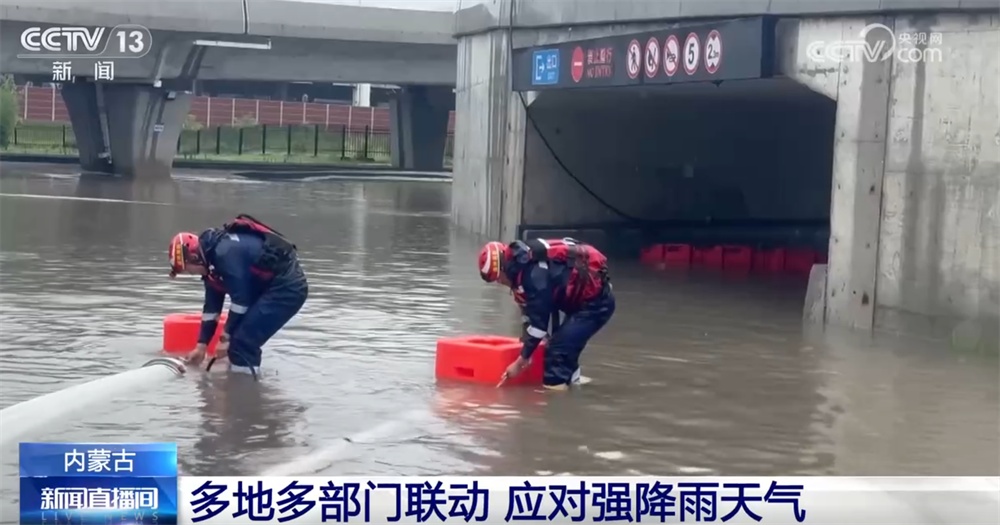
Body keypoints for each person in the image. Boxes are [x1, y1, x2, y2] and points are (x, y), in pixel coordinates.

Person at [169, 214, 308, 378]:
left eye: (188, 270)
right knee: (238, 340)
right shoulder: (210, 264)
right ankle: (239, 384)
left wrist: (225, 338)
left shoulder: (225, 254)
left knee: (242, 342)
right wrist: (202, 345)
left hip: (287, 288)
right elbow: (211, 309)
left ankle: (244, 389)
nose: (191, 274)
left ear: (194, 257)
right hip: (268, 287)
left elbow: (241, 301)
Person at [478, 238, 616, 390]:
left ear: (503, 270)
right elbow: (530, 316)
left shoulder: (532, 276)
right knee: (562, 349)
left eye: (497, 278)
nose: (499, 283)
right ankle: (575, 387)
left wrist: (520, 362)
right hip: (580, 303)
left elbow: (539, 326)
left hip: (595, 305)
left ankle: (556, 403)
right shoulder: (523, 266)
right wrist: (526, 348)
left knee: (556, 354)